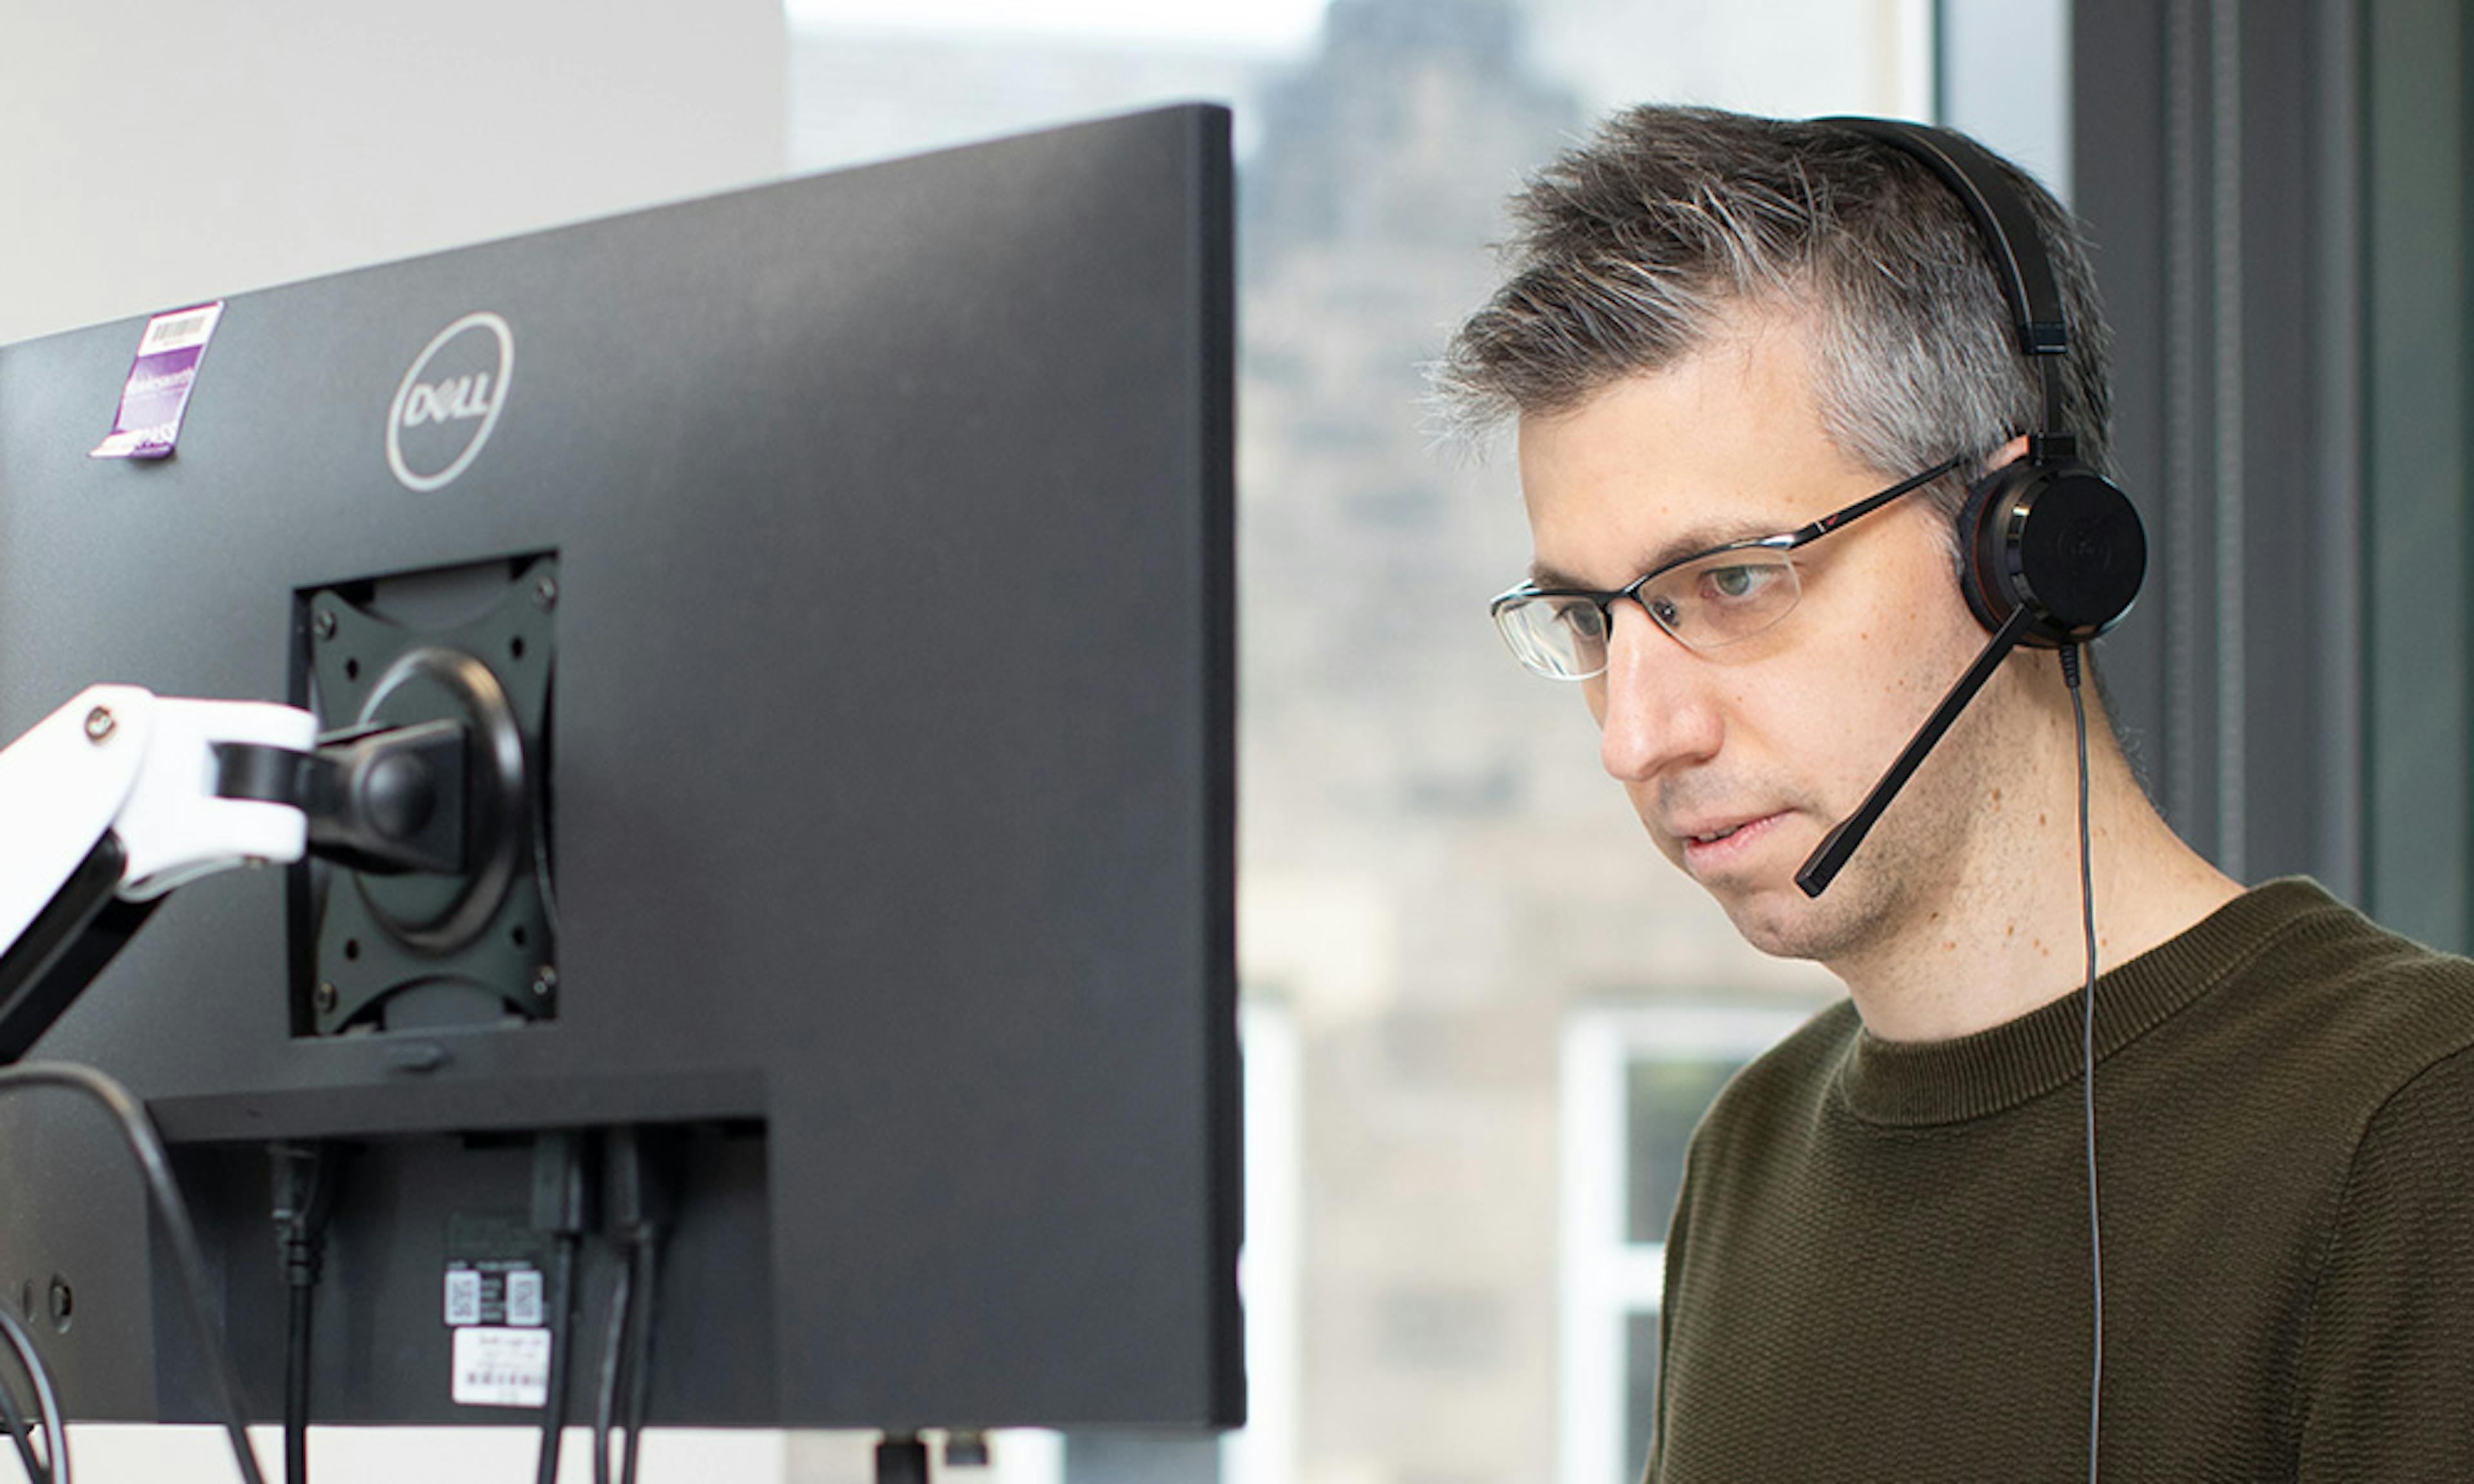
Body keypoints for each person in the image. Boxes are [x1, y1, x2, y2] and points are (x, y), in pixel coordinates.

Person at [1439, 105, 2474, 1481]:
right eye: (1590, 620)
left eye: (1733, 583)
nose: (1637, 735)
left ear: (2023, 549)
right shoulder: (1748, 1157)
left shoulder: (2418, 1124)